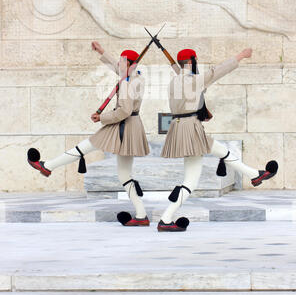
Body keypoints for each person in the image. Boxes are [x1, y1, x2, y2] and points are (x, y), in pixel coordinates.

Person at [27, 41, 150, 227]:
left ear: (129, 64)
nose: (119, 64)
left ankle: (48, 166)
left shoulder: (127, 83)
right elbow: (120, 71)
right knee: (125, 174)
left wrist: (102, 117)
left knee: (87, 146)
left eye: (122, 62)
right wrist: (102, 52)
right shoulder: (136, 77)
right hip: (131, 126)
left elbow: (123, 111)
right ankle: (141, 215)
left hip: (121, 125)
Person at [158, 47, 278, 232]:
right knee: (196, 174)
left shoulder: (174, 82)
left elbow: (194, 88)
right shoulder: (192, 81)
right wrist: (240, 55)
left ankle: (254, 174)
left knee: (202, 169)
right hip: (191, 129)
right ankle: (255, 175)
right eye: (195, 60)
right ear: (190, 62)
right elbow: (216, 72)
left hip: (180, 127)